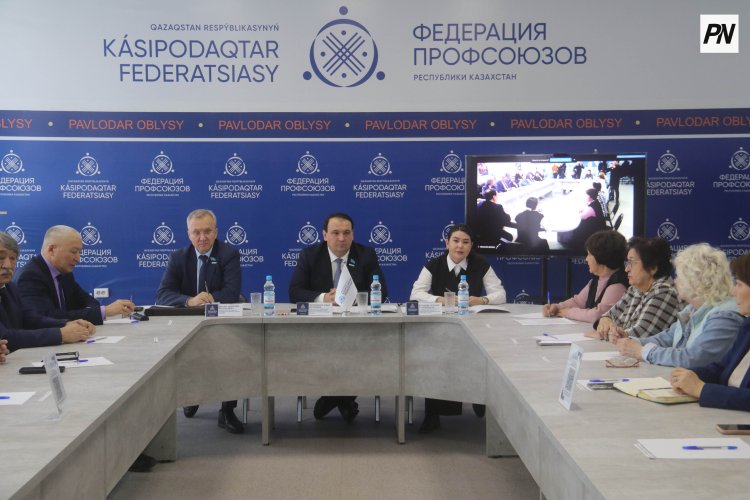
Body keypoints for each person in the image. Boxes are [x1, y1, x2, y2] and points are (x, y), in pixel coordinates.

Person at [289, 212, 387, 423]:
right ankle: (344, 400)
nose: (341, 238)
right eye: (335, 233)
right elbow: (295, 292)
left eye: (346, 233)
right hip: (318, 329)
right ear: (325, 235)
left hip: (357, 328)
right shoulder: (310, 255)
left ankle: (334, 398)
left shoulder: (366, 254)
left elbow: (381, 292)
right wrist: (324, 298)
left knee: (359, 350)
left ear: (353, 234)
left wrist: (350, 298)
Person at [410, 224, 506, 433]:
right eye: (455, 241)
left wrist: (482, 299)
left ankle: (479, 398)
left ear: (471, 246)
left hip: (473, 328)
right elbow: (416, 293)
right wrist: (440, 299)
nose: (460, 246)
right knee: (436, 358)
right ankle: (433, 414)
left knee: (478, 357)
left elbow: (500, 294)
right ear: (447, 243)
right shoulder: (434, 265)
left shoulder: (480, 264)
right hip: (439, 329)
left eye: (465, 242)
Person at [156, 209, 244, 434]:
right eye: (196, 232)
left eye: (207, 231)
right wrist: (189, 301)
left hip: (221, 323)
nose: (202, 237)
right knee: (183, 352)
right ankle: (191, 396)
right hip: (187, 324)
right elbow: (163, 294)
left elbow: (232, 292)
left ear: (216, 232)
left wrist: (209, 299)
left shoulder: (229, 254)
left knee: (231, 351)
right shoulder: (178, 257)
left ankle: (227, 410)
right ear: (188, 234)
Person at [613, 244, 742, 368]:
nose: (675, 281)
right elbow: (666, 338)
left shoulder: (725, 316)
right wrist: (630, 341)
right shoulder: (691, 309)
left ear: (695, 281)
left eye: (679, 276)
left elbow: (694, 358)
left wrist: (643, 352)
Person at [671, 253, 750, 411]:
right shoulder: (747, 326)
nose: (733, 291)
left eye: (739, 284)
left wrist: (701, 389)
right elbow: (722, 368)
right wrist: (690, 375)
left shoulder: (727, 315)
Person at [15, 225, 135, 325]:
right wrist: (105, 311)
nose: (78, 258)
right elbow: (46, 317)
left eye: (80, 252)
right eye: (73, 252)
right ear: (52, 250)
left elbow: (87, 301)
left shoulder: (64, 273)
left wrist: (97, 311)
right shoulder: (30, 276)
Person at [0, 231, 95, 352]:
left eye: (13, 258)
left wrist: (65, 324)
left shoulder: (10, 288)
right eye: (1, 258)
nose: (8, 265)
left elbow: (30, 319)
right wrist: (60, 334)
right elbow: (5, 336)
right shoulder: (29, 275)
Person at [592, 237, 681, 340]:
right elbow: (608, 315)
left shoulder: (665, 292)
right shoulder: (635, 289)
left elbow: (636, 337)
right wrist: (605, 319)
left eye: (632, 263)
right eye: (627, 263)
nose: (626, 269)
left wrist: (605, 333)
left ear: (653, 268)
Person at [543, 230, 628, 324]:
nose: (586, 259)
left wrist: (568, 312)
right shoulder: (595, 281)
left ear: (602, 256)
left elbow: (598, 315)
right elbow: (578, 302)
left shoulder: (617, 285)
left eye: (589, 254)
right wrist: (557, 307)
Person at [557, 188, 607, 253]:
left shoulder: (591, 208)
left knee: (570, 232)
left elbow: (580, 216)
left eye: (586, 196)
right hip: (596, 227)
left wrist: (576, 212)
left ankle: (566, 246)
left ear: (590, 197)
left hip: (592, 231)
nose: (584, 197)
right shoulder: (595, 202)